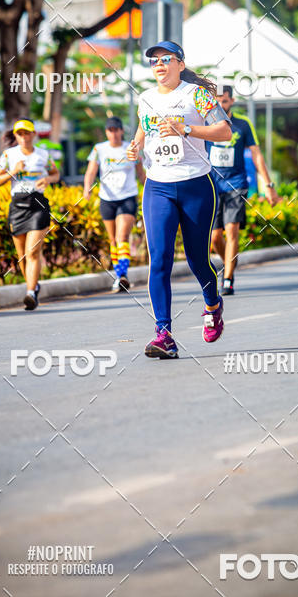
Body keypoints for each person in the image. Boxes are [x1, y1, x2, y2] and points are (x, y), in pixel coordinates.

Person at [127, 40, 232, 359]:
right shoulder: (144, 98)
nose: (159, 65)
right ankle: (163, 334)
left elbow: (224, 132)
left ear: (181, 65)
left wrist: (185, 129)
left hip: (196, 185)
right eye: (154, 61)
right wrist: (134, 147)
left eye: (166, 59)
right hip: (158, 187)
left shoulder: (197, 94)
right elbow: (144, 131)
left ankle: (213, 305)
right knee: (159, 260)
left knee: (198, 260)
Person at [206, 85, 280, 295]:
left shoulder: (243, 124)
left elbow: (256, 154)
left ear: (232, 101)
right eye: (217, 100)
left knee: (232, 230)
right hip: (212, 184)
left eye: (225, 101)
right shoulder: (205, 123)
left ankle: (228, 278)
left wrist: (268, 185)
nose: (221, 105)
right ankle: (229, 261)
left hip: (236, 183)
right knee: (214, 238)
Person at [0, 118, 60, 310]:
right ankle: (34, 285)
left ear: (33, 134)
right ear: (16, 136)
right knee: (22, 255)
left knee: (32, 252)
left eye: (27, 133)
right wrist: (13, 171)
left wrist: (47, 179)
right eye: (19, 134)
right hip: (18, 205)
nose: (23, 137)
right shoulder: (8, 155)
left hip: (38, 204)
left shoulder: (43, 154)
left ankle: (30, 293)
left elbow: (56, 174)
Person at [84, 116, 145, 292]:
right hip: (107, 198)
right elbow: (91, 171)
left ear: (121, 131)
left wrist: (150, 188)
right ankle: (119, 275)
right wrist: (87, 187)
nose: (114, 134)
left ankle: (123, 274)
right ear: (106, 132)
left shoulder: (130, 148)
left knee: (122, 236)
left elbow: (141, 173)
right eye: (110, 131)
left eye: (116, 130)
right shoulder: (99, 149)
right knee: (112, 239)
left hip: (127, 197)